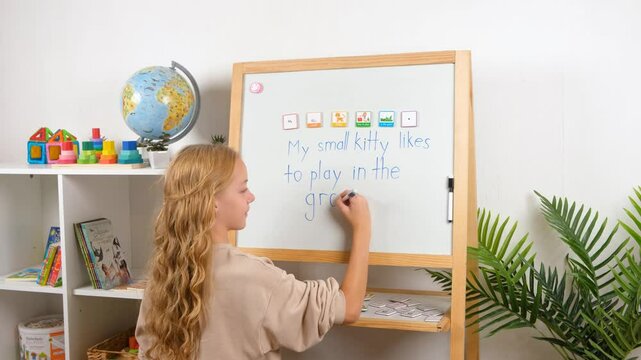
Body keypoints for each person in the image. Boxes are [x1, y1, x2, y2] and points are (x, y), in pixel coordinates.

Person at [135, 144, 371, 360]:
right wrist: (363, 227)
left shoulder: (163, 274)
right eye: (243, 189)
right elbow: (348, 308)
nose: (251, 197)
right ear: (213, 201)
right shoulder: (255, 278)